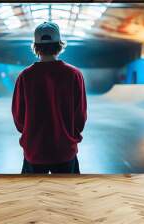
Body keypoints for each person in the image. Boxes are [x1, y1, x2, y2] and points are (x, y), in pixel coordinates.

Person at [12, 22, 87, 174]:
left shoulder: (25, 76)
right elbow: (80, 115)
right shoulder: (74, 74)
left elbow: (18, 116)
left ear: (36, 47)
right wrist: (71, 136)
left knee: (32, 196)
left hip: (35, 151)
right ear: (59, 45)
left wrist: (29, 134)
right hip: (65, 150)